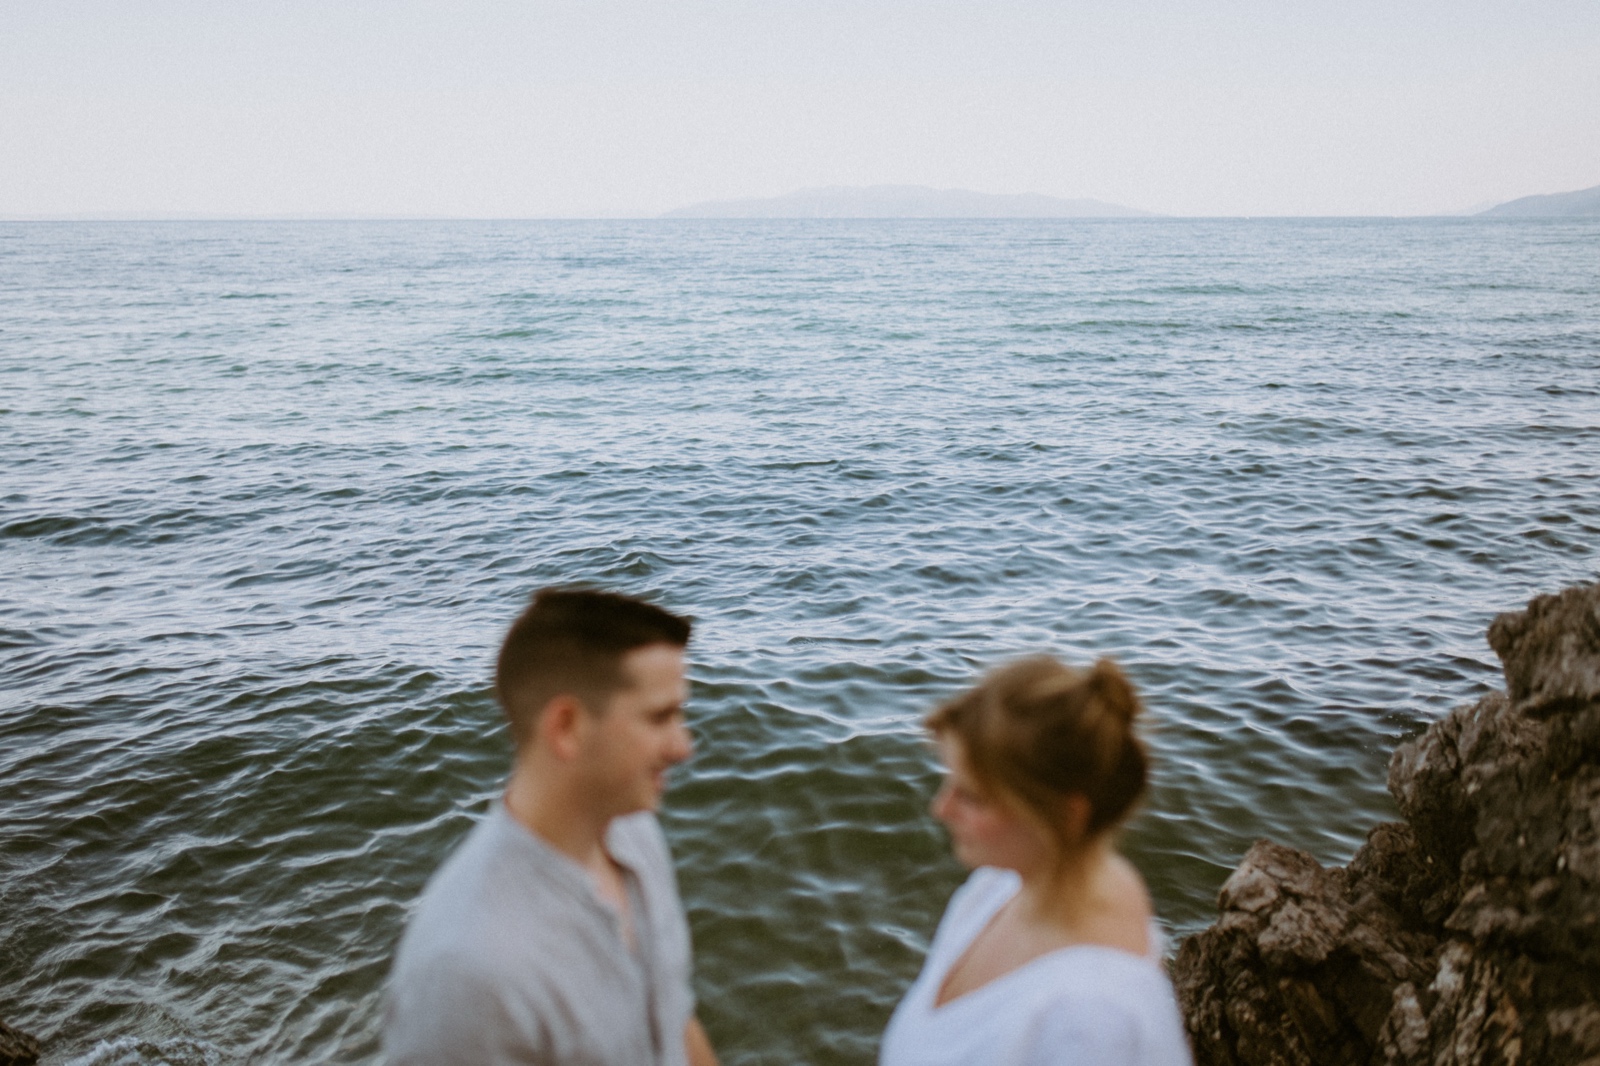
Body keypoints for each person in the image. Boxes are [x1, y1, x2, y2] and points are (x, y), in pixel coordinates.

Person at [384, 588, 719, 1066]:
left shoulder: (635, 831)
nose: (684, 746)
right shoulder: (470, 970)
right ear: (567, 726)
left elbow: (673, 1019)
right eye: (660, 717)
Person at [879, 656, 1192, 1066]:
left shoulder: (1090, 1027)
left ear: (1064, 817)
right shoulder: (1006, 884)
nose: (941, 808)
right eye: (948, 781)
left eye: (972, 796)